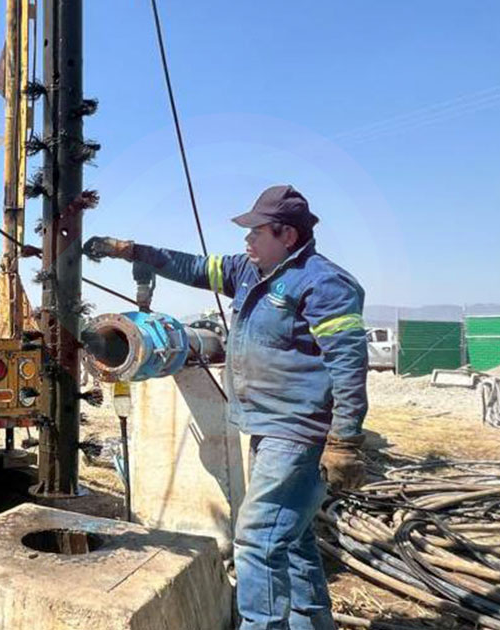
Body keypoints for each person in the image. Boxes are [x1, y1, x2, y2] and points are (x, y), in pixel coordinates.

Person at [85, 184, 368, 630]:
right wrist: (133, 251)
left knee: (255, 540)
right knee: (291, 537)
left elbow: (349, 363)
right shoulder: (249, 272)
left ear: (288, 235)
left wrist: (345, 440)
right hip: (264, 426)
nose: (247, 239)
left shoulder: (323, 283)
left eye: (257, 232)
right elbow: (194, 267)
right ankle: (313, 623)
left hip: (296, 431)